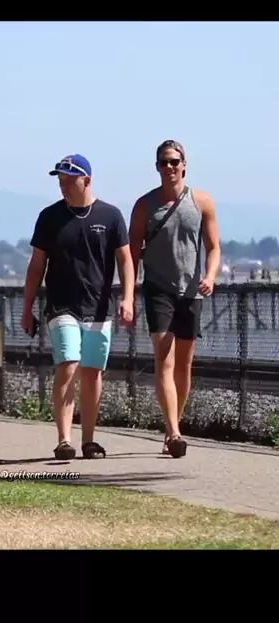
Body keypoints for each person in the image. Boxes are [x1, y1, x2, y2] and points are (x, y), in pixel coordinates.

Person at [21, 154, 135, 460]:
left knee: (92, 372)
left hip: (97, 306)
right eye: (61, 180)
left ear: (87, 180)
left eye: (70, 180)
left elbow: (125, 260)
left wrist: (127, 298)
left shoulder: (110, 216)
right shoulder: (50, 217)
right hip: (61, 305)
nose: (64, 185)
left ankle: (89, 439)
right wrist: (27, 307)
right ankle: (64, 439)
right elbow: (36, 265)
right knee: (68, 363)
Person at [128, 140, 221, 458]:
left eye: (174, 161)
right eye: (163, 162)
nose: (168, 167)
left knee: (184, 364)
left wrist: (210, 276)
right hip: (158, 289)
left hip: (191, 291)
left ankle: (172, 428)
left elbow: (214, 247)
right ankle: (174, 432)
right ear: (156, 166)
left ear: (184, 164)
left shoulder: (202, 201)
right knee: (164, 360)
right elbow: (131, 253)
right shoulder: (144, 205)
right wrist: (128, 294)